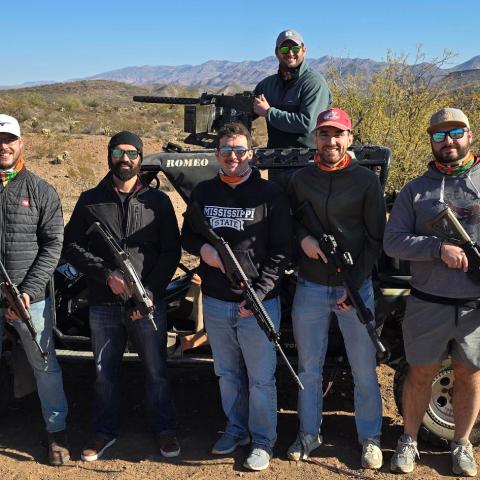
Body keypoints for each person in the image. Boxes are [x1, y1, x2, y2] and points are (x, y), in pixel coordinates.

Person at [63, 131, 181, 461]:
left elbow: (171, 251)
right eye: (119, 151)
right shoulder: (90, 199)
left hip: (148, 304)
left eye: (132, 152)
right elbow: (71, 246)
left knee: (156, 371)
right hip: (103, 302)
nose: (125, 158)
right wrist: (106, 275)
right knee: (104, 372)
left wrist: (151, 293)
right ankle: (104, 432)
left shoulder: (158, 202)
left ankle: (164, 429)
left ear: (141, 158)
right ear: (109, 155)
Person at [181, 122, 291, 471]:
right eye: (226, 151)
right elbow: (187, 237)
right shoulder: (203, 192)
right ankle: (236, 429)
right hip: (215, 301)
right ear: (217, 155)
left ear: (251, 154)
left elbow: (281, 251)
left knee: (261, 378)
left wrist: (256, 294)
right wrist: (204, 250)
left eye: (239, 150)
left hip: (259, 301)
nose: (233, 157)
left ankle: (263, 442)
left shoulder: (269, 195)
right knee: (227, 374)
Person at [287, 108, 386, 469]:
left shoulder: (365, 181)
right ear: (315, 138)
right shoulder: (300, 179)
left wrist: (355, 285)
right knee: (309, 368)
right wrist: (304, 241)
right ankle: (308, 433)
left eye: (337, 134)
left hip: (354, 288)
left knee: (363, 368)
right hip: (310, 286)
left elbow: (375, 238)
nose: (331, 141)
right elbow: (290, 222)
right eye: (324, 134)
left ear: (349, 139)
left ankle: (371, 438)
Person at [384, 108, 479, 477]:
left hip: (475, 304)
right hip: (429, 301)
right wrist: (437, 249)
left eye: (455, 133)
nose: (448, 141)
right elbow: (393, 242)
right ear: (431, 141)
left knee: (469, 374)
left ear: (469, 135)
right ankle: (408, 440)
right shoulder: (416, 189)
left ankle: (461, 444)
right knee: (420, 373)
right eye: (439, 136)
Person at [0, 114, 70, 465]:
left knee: (44, 365)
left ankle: (56, 435)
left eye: (9, 139)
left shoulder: (40, 190)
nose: (4, 146)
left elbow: (53, 244)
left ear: (21, 143)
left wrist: (28, 289)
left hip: (30, 299)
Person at [253, 29, 331, 149]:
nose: (290, 53)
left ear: (304, 50)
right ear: (277, 52)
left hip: (307, 161)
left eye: (295, 48)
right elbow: (248, 110)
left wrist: (269, 113)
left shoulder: (314, 83)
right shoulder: (266, 85)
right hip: (275, 161)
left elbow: (307, 123)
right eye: (284, 49)